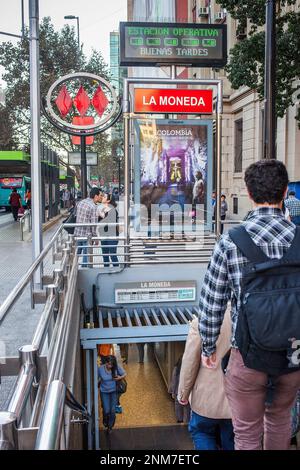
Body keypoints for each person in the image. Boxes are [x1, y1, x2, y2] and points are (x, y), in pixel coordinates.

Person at [199, 159, 300, 450]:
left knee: (245, 433)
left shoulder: (231, 241)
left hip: (248, 355)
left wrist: (208, 347)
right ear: (284, 192)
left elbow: (212, 301)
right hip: (293, 355)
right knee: (280, 419)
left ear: (248, 192)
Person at [178, 309, 234, 450]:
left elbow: (190, 362)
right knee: (232, 437)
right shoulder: (251, 316)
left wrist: (183, 394)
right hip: (238, 401)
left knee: (202, 432)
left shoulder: (201, 322)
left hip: (206, 400)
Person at [74, 188, 101, 268]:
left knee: (75, 255)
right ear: (96, 196)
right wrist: (95, 238)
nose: (101, 197)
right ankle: (84, 272)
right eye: (100, 195)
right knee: (86, 257)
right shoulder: (93, 207)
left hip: (77, 233)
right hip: (87, 235)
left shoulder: (81, 202)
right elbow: (93, 225)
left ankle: (71, 269)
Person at [98, 355, 126, 432]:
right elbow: (96, 378)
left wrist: (119, 378)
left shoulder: (116, 367)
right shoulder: (100, 369)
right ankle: (105, 420)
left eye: (111, 364)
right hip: (104, 392)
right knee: (106, 410)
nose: (110, 366)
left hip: (114, 391)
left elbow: (124, 373)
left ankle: (110, 426)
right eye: (108, 363)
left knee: (113, 411)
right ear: (106, 362)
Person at [98, 193, 119, 268]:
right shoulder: (101, 209)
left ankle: (117, 270)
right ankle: (106, 270)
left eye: (104, 196)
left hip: (112, 235)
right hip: (103, 235)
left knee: (113, 255)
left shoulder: (113, 210)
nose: (102, 197)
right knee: (105, 255)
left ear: (108, 200)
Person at [169, 356, 191, 424]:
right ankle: (187, 421)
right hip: (187, 390)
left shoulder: (177, 368)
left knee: (178, 404)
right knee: (187, 406)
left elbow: (174, 380)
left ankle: (179, 419)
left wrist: (172, 391)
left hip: (177, 390)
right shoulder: (190, 370)